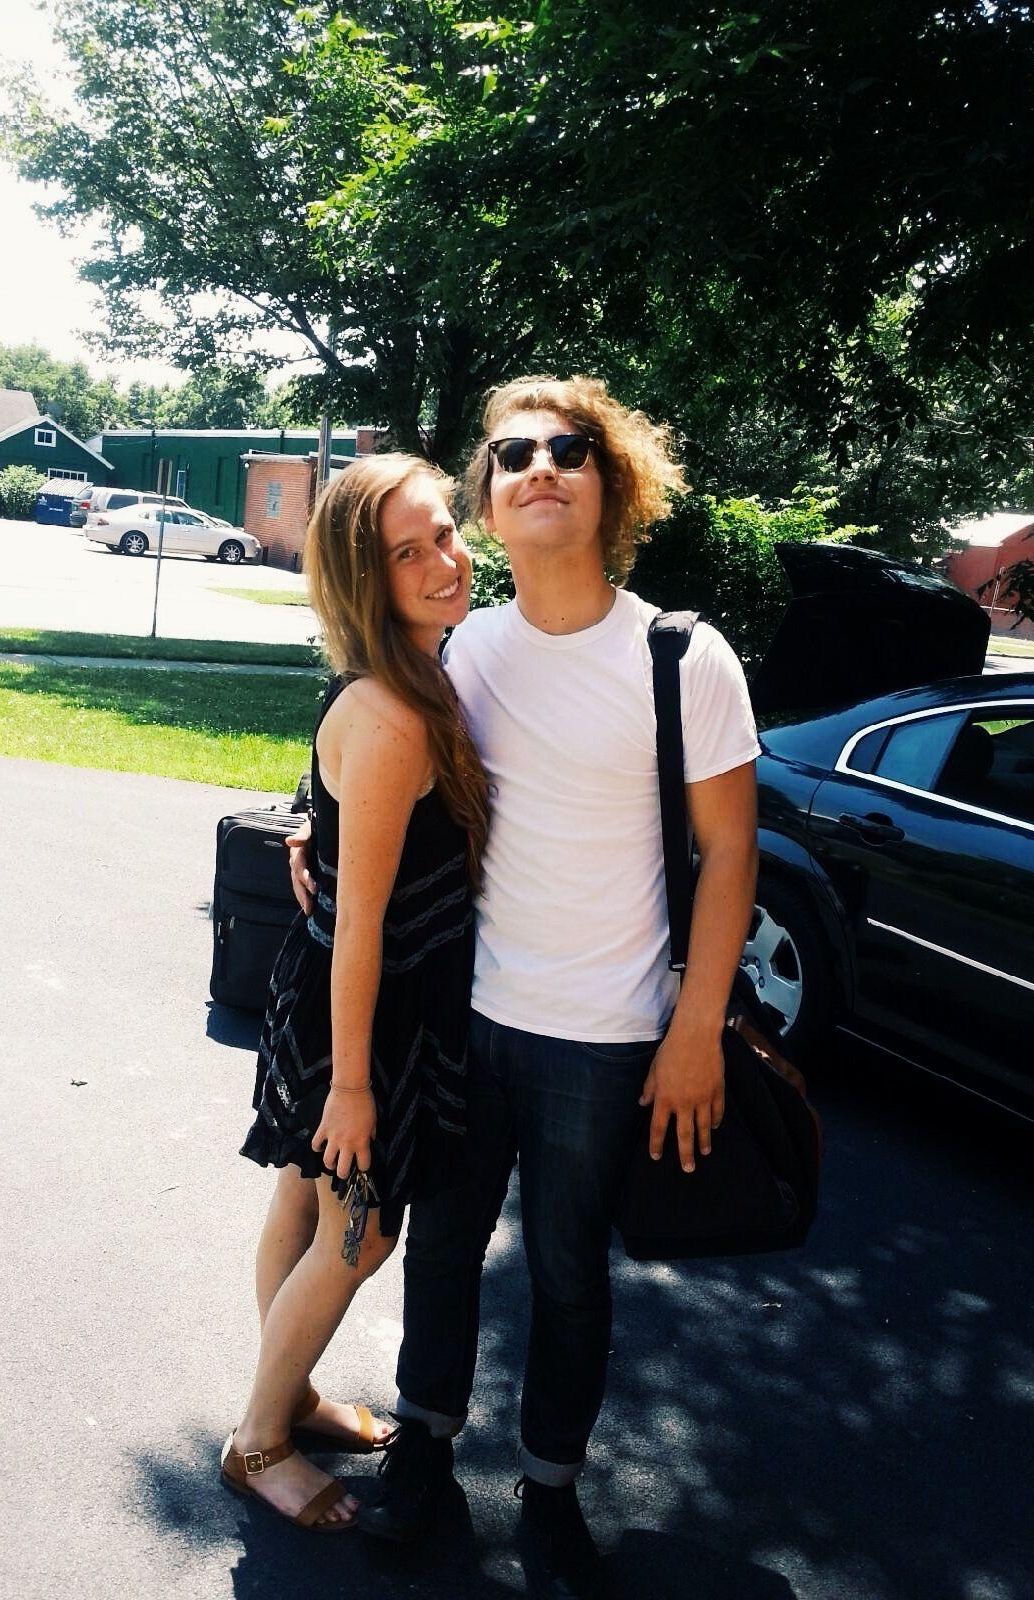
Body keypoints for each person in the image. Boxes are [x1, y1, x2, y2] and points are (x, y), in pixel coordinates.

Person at [291, 375, 760, 1594]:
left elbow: (729, 856)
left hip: (608, 1037)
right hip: (465, 1017)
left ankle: (550, 1489)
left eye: (569, 448)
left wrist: (695, 1029)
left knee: (566, 1274)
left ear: (614, 484)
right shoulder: (465, 652)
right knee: (442, 1252)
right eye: (511, 455)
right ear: (489, 503)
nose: (540, 465)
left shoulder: (682, 657)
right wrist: (308, 824)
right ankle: (425, 1449)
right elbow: (369, 747)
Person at [223, 453, 489, 1532]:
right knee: (360, 1231)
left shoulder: (416, 673)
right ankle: (258, 1441)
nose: (443, 562)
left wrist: (312, 829)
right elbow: (364, 924)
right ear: (364, 579)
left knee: (305, 1200)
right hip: (366, 1015)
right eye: (406, 553)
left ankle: (289, 1396)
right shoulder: (390, 713)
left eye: (444, 534)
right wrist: (350, 1086)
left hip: (361, 992)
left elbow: (345, 836)